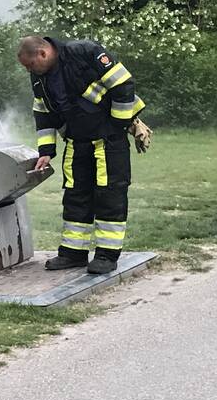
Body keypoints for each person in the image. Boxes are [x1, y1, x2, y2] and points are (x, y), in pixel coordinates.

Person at [18, 35, 148, 275]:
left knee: (109, 196)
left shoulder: (84, 52)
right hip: (77, 143)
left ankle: (107, 256)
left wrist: (118, 126)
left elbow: (123, 85)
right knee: (75, 197)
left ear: (43, 54)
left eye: (29, 65)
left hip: (108, 141)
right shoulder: (39, 78)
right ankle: (73, 253)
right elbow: (43, 113)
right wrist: (46, 151)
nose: (28, 70)